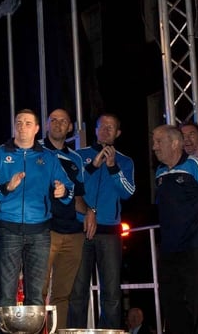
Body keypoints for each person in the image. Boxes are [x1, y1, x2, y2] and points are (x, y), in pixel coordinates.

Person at [0, 109, 72, 307]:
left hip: (40, 231)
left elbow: (68, 187)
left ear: (37, 129)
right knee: (6, 295)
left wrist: (63, 191)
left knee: (36, 295)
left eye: (28, 123)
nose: (22, 127)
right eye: (18, 122)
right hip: (8, 227)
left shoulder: (49, 158)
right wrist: (6, 187)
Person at [152, 124, 198, 333]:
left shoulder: (195, 164)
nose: (154, 147)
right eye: (153, 142)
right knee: (173, 306)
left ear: (174, 143)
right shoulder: (160, 172)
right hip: (169, 250)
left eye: (158, 141)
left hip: (194, 248)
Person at [68, 114, 135, 329]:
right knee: (77, 292)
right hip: (80, 231)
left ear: (118, 133)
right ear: (95, 130)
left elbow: (128, 193)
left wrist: (113, 166)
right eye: (102, 126)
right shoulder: (79, 156)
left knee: (112, 293)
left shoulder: (125, 161)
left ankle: (111, 331)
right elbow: (71, 188)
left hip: (110, 233)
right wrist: (93, 166)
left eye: (111, 127)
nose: (106, 130)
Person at [40, 109, 93, 329]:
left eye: (63, 121)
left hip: (73, 233)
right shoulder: (36, 151)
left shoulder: (76, 158)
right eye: (53, 120)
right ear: (46, 124)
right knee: (37, 292)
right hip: (45, 230)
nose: (58, 124)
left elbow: (78, 197)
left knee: (62, 294)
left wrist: (91, 211)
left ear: (70, 127)